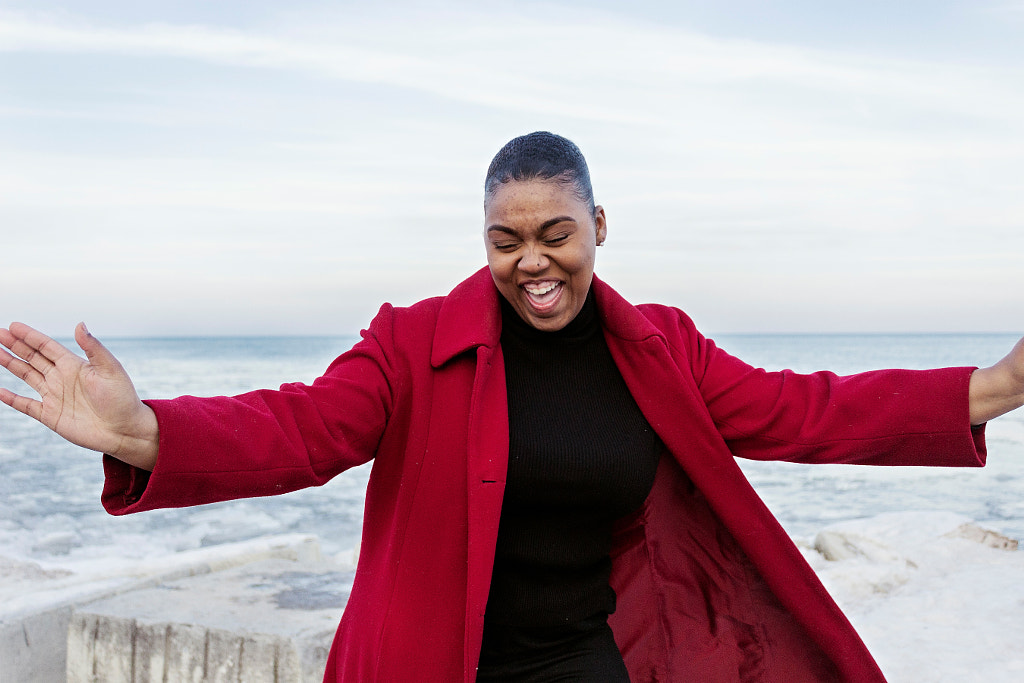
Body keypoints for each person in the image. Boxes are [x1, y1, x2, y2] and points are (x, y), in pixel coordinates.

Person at [1, 132, 1023, 683]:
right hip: (427, 661)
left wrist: (1001, 385)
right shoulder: (411, 342)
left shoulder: (662, 345)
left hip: (583, 654)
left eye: (555, 232)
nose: (531, 260)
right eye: (505, 238)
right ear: (483, 238)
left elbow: (807, 409)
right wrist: (143, 431)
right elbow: (303, 429)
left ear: (599, 225)